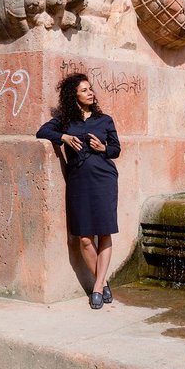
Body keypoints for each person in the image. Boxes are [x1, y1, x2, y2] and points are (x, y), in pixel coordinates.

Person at [36, 74, 121, 310]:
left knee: (104, 233)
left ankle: (97, 287)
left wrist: (103, 147)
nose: (91, 93)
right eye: (85, 90)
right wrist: (63, 137)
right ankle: (103, 283)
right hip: (79, 183)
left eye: (91, 89)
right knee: (84, 238)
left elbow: (116, 149)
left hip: (104, 180)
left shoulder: (105, 120)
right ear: (74, 95)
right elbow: (41, 132)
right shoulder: (64, 121)